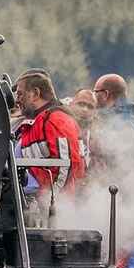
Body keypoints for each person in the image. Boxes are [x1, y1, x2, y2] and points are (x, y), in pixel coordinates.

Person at [13, 71, 85, 218]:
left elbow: (66, 167)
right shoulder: (37, 121)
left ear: (35, 93)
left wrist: (50, 207)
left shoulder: (57, 120)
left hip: (48, 210)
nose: (17, 100)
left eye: (20, 94)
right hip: (33, 205)